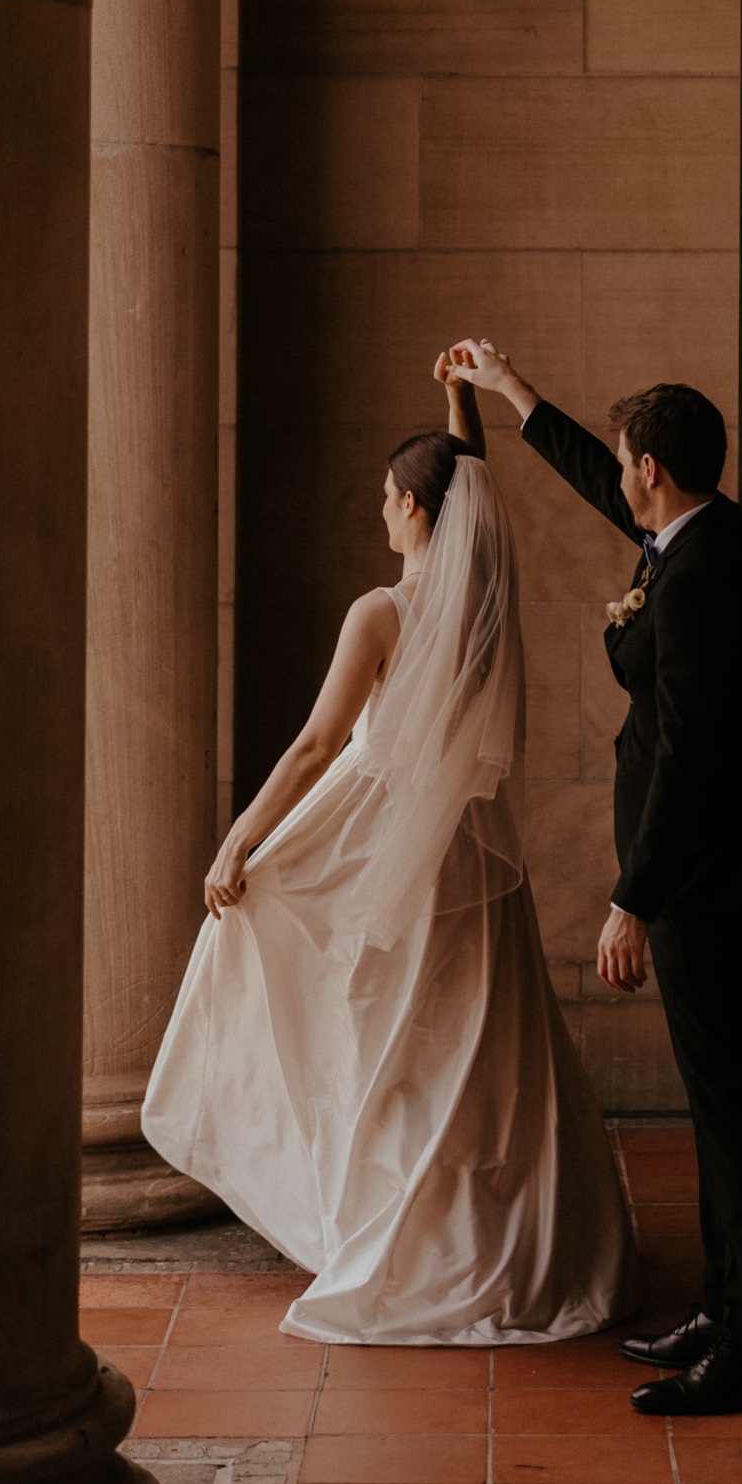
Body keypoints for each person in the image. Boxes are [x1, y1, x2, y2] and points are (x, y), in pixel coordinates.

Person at [142, 355, 634, 1345]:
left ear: (417, 511)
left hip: (383, 849)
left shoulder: (384, 612)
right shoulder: (481, 606)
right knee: (472, 1049)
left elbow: (320, 743)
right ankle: (487, 1239)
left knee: (395, 1045)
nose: (380, 511)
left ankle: (405, 1241)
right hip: (468, 857)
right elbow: (472, 485)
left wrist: (245, 834)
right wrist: (460, 408)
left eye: (387, 498)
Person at [444, 340, 742, 1415]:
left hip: (700, 876)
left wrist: (632, 897)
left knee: (729, 1110)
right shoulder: (706, 533)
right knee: (716, 1100)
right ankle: (726, 1308)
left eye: (630, 461)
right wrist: (511, 391)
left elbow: (690, 751)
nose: (621, 476)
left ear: (657, 472)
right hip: (696, 866)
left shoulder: (699, 580)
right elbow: (599, 480)